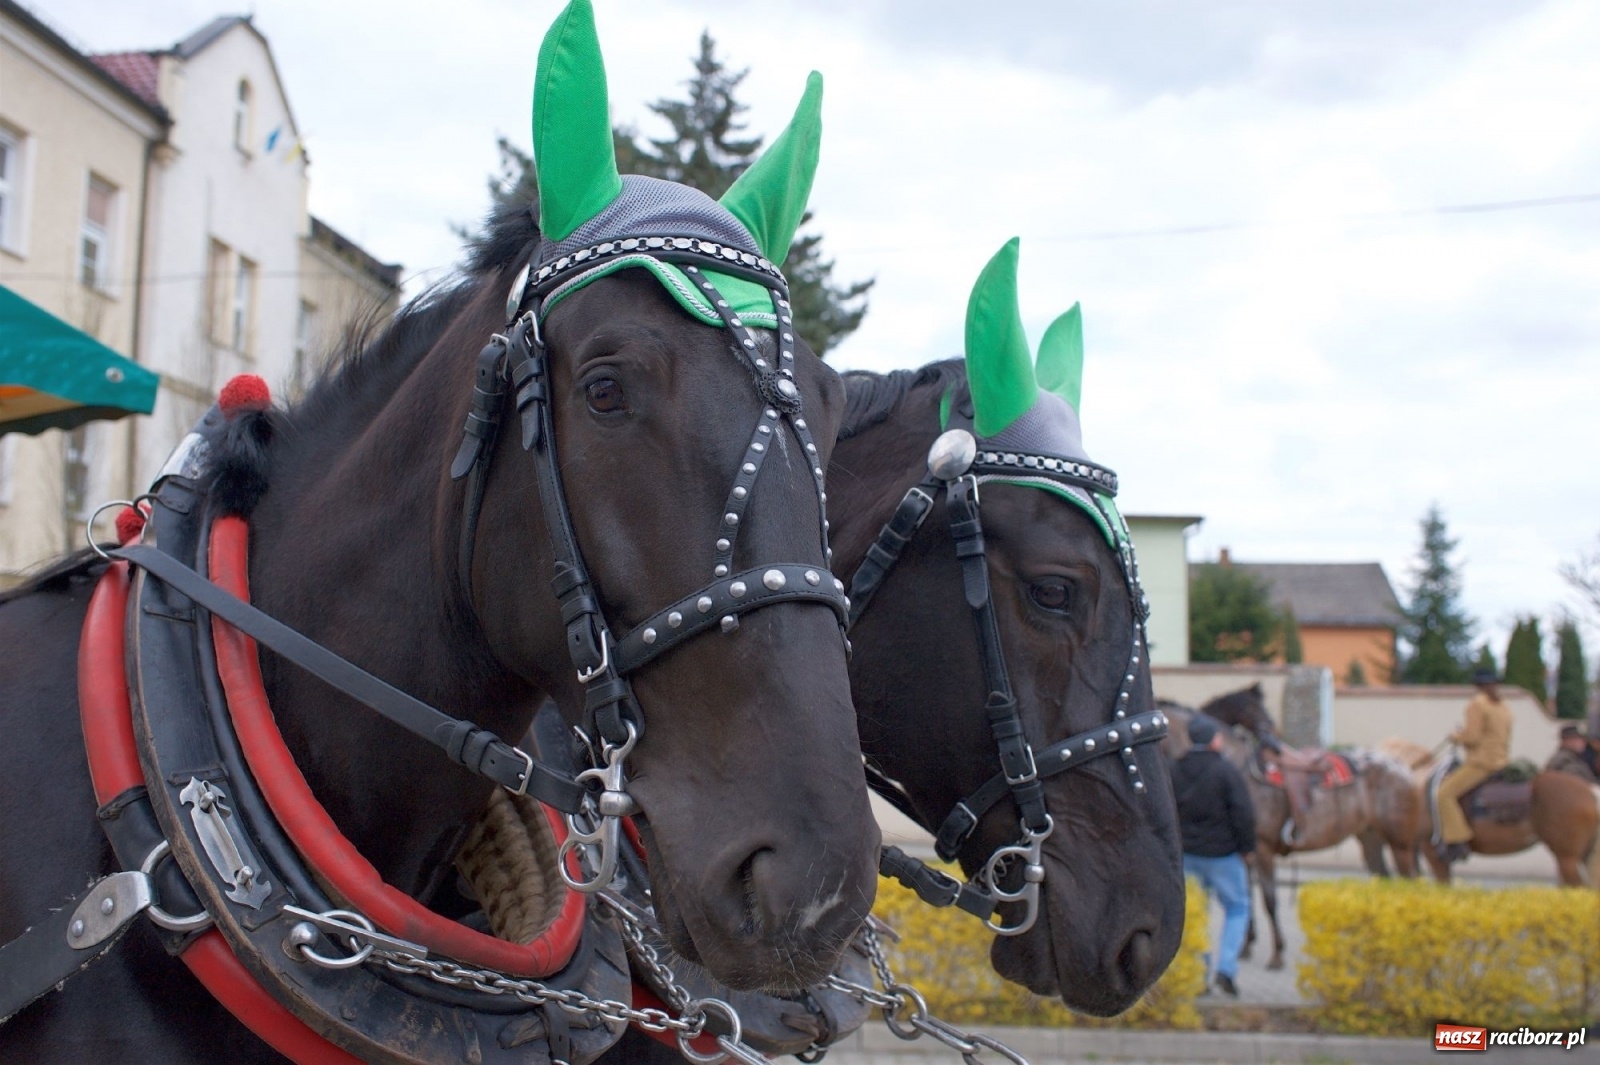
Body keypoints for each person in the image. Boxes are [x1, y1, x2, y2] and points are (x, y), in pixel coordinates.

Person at [1169, 713, 1256, 997]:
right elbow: (1243, 813)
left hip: (1187, 856)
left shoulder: (1173, 768)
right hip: (1224, 856)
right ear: (1215, 739)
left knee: (1197, 914)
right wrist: (1247, 849)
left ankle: (1200, 976)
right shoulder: (1225, 771)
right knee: (1238, 907)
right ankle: (1226, 969)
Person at [1435, 669, 1512, 863]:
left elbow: (1472, 737)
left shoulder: (1477, 705)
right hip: (1501, 761)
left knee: (1444, 794)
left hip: (1481, 763)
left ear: (1478, 686)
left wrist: (1455, 736)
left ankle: (1458, 838)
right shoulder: (1503, 707)